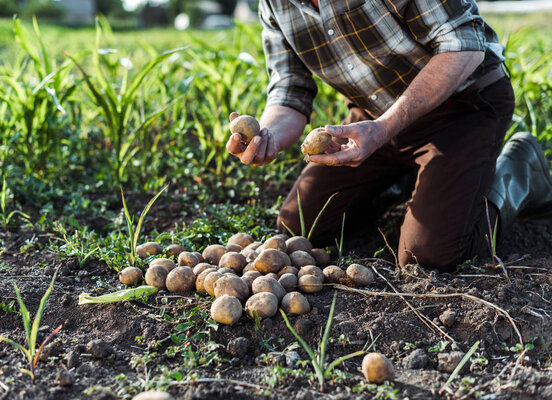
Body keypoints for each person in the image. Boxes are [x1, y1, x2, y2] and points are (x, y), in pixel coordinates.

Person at [227, 0, 552, 270]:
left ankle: (519, 169)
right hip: (374, 118)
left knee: (427, 258)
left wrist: (384, 128)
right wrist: (266, 137)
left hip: (464, 106)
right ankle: (408, 180)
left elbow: (464, 43)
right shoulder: (274, 4)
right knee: (300, 227)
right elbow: (290, 91)